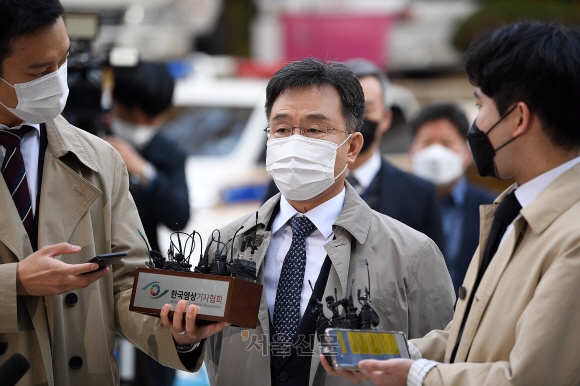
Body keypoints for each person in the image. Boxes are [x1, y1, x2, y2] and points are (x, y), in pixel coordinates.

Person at [322, 21, 580, 386]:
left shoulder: (572, 237)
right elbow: (467, 337)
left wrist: (418, 377)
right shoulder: (513, 210)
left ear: (519, 118)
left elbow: (528, 376)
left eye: (481, 105)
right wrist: (393, 354)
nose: (477, 124)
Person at [0, 2, 227, 385]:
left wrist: (177, 333)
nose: (57, 80)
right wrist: (16, 282)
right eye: (39, 72)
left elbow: (129, 283)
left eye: (64, 61)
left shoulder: (100, 159)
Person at [203, 58, 455, 385]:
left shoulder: (411, 254)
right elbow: (210, 350)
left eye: (313, 129)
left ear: (352, 147)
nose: (295, 142)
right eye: (281, 129)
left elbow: (441, 364)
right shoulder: (227, 243)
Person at [263, 59, 445, 252]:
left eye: (367, 109)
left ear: (386, 118)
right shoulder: (284, 184)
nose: (360, 119)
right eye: (282, 129)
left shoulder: (418, 194)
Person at [106, 61, 190, 386]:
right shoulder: (84, 139)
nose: (144, 125)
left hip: (144, 274)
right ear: (115, 102)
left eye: (154, 119)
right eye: (135, 118)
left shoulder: (168, 152)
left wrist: (144, 170)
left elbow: (180, 217)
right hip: (88, 271)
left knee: (153, 366)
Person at [408, 103, 495, 291]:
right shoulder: (396, 202)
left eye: (447, 143)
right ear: (412, 151)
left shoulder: (492, 206)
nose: (436, 153)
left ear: (467, 153)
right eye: (426, 142)